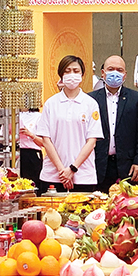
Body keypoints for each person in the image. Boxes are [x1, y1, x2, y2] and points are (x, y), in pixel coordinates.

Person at [34, 56, 104, 193]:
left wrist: (72, 169)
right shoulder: (51, 104)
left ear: (82, 75)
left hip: (83, 175)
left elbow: (92, 142)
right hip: (53, 175)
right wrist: (62, 171)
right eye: (67, 71)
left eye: (76, 71)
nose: (72, 74)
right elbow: (46, 140)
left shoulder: (90, 104)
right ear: (61, 75)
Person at [89, 55, 138, 192]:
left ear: (125, 75)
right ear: (103, 73)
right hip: (97, 165)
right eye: (111, 69)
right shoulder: (91, 99)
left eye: (119, 70)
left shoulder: (137, 99)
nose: (115, 73)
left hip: (128, 167)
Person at [18, 108, 43, 190]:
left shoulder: (38, 116)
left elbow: (44, 142)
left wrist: (30, 134)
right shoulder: (14, 115)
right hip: (16, 153)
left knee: (33, 184)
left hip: (32, 154)